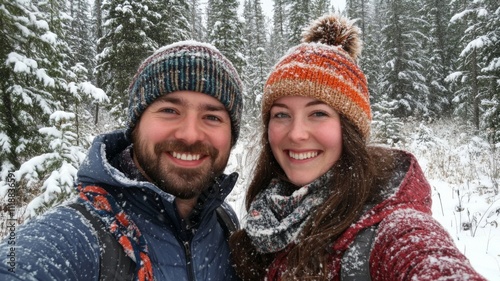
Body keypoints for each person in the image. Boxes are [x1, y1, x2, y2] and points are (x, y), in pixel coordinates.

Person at [229, 15, 486, 281]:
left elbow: (424, 259)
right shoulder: (266, 214)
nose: (296, 134)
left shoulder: (390, 225)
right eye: (281, 115)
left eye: (318, 113)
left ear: (349, 128)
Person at [0, 41, 243, 280]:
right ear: (135, 126)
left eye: (212, 117)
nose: (190, 134)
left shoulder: (224, 221)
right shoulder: (77, 236)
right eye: (169, 110)